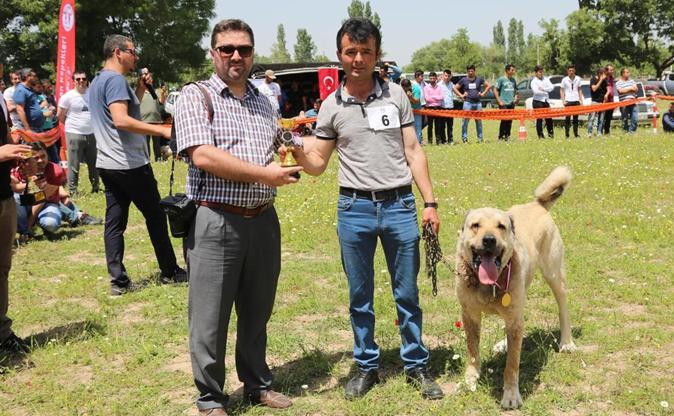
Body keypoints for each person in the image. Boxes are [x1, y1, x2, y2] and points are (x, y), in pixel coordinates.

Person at [290, 17, 444, 401]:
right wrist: (297, 152)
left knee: (406, 293)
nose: (358, 59)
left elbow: (413, 151)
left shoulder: (396, 96)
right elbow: (318, 164)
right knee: (360, 296)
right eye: (351, 52)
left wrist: (429, 202)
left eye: (366, 52)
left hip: (400, 205)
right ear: (340, 55)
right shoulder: (330, 105)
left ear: (377, 55)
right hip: (353, 208)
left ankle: (416, 364)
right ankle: (366, 365)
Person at [176, 19, 301, 414]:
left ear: (252, 55)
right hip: (216, 219)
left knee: (257, 308)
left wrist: (318, 143)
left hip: (263, 219)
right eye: (227, 48)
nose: (236, 56)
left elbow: (285, 142)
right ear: (213, 53)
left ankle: (256, 383)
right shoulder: (195, 97)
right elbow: (202, 155)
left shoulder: (264, 100)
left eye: (244, 50)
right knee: (209, 317)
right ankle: (211, 397)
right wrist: (267, 175)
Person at [88, 34, 187, 296]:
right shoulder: (116, 80)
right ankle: (170, 271)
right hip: (129, 164)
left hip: (107, 163)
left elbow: (123, 113)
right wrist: (162, 131)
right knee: (155, 217)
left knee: (115, 221)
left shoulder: (99, 80)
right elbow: (121, 121)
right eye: (132, 51)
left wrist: (141, 90)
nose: (136, 56)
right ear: (118, 52)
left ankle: (118, 282)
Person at [0, 65, 32, 354]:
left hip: (3, 195)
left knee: (2, 268)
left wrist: (14, 159)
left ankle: (2, 333)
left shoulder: (0, 97)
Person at [11, 142, 101, 239]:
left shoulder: (55, 170)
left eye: (43, 156)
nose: (41, 160)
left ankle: (30, 228)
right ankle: (76, 216)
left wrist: (29, 225)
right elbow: (13, 187)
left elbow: (41, 199)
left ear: (47, 155)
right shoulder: (20, 168)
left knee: (50, 223)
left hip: (44, 202)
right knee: (14, 198)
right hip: (30, 203)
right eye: (36, 158)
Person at [57, 71, 99, 195]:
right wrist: (72, 126)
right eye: (78, 79)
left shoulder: (93, 94)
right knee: (73, 163)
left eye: (83, 79)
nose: (81, 81)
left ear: (87, 80)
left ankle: (96, 187)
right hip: (74, 133)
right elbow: (60, 115)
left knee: (94, 162)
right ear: (73, 81)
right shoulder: (67, 96)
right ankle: (73, 190)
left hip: (92, 133)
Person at [454, 65, 490, 143]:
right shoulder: (464, 80)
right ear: (467, 71)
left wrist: (483, 94)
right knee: (465, 122)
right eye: (469, 71)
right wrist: (461, 95)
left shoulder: (479, 79)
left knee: (479, 121)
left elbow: (488, 86)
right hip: (467, 103)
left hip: (478, 104)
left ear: (474, 71)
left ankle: (480, 139)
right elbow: (454, 88)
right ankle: (464, 139)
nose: (470, 72)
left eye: (472, 71)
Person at [12, 68, 44, 133]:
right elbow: (20, 110)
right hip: (31, 128)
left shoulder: (29, 89)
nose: (36, 78)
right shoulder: (21, 90)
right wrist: (27, 129)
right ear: (27, 77)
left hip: (37, 127)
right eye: (34, 76)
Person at [493, 64, 518, 141]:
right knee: (504, 120)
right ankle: (501, 137)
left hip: (511, 103)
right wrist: (499, 101)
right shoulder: (501, 79)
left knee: (510, 120)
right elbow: (495, 89)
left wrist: (516, 98)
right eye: (512, 70)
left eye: (514, 70)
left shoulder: (513, 80)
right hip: (503, 103)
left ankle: (507, 136)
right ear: (507, 71)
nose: (514, 71)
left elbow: (515, 91)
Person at [531, 65, 554, 139]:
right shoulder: (534, 81)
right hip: (538, 101)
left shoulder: (546, 79)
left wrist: (543, 89)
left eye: (542, 72)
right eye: (540, 72)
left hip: (546, 101)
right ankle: (540, 136)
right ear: (536, 73)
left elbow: (552, 87)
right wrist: (546, 90)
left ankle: (551, 135)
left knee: (549, 119)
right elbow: (536, 91)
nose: (541, 73)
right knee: (539, 119)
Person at [561, 65, 584, 138]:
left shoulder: (578, 78)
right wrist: (563, 100)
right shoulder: (564, 79)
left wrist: (581, 100)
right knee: (567, 119)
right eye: (570, 70)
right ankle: (567, 135)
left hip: (576, 100)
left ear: (575, 71)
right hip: (568, 101)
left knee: (576, 119)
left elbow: (579, 89)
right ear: (567, 71)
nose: (571, 72)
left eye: (572, 70)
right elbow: (561, 90)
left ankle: (576, 134)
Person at [423, 71, 446, 145]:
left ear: (436, 78)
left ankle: (438, 141)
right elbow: (427, 99)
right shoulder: (426, 87)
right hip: (429, 108)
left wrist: (432, 97)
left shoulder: (440, 87)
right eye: (431, 78)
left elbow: (442, 97)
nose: (432, 80)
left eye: (433, 78)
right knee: (430, 126)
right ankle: (430, 141)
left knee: (438, 125)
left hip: (438, 108)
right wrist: (436, 98)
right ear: (429, 79)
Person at [615, 68, 638, 134]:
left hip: (633, 102)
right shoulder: (618, 83)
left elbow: (636, 89)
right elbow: (621, 91)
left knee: (635, 118)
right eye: (627, 72)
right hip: (624, 103)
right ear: (623, 74)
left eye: (629, 72)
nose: (629, 74)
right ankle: (625, 131)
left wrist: (626, 89)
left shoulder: (632, 81)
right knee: (624, 119)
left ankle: (632, 132)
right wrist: (631, 88)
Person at [588, 67, 608, 137]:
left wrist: (606, 95)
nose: (605, 76)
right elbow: (594, 89)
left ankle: (599, 132)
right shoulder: (593, 79)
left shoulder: (605, 81)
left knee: (601, 119)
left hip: (602, 102)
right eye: (603, 74)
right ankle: (589, 133)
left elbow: (608, 89)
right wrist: (601, 80)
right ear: (599, 74)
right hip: (594, 102)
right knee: (592, 118)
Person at [440, 69, 455, 143]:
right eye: (446, 75)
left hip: (450, 107)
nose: (447, 77)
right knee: (442, 125)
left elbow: (456, 91)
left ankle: (450, 140)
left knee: (450, 125)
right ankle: (443, 140)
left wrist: (462, 96)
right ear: (443, 75)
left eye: (448, 76)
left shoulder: (452, 84)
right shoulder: (439, 84)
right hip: (442, 107)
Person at [602, 64, 616, 135]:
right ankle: (600, 131)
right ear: (606, 70)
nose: (612, 71)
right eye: (611, 70)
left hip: (611, 100)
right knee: (602, 117)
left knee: (609, 117)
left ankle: (607, 132)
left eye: (613, 70)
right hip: (604, 100)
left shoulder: (611, 78)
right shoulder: (602, 78)